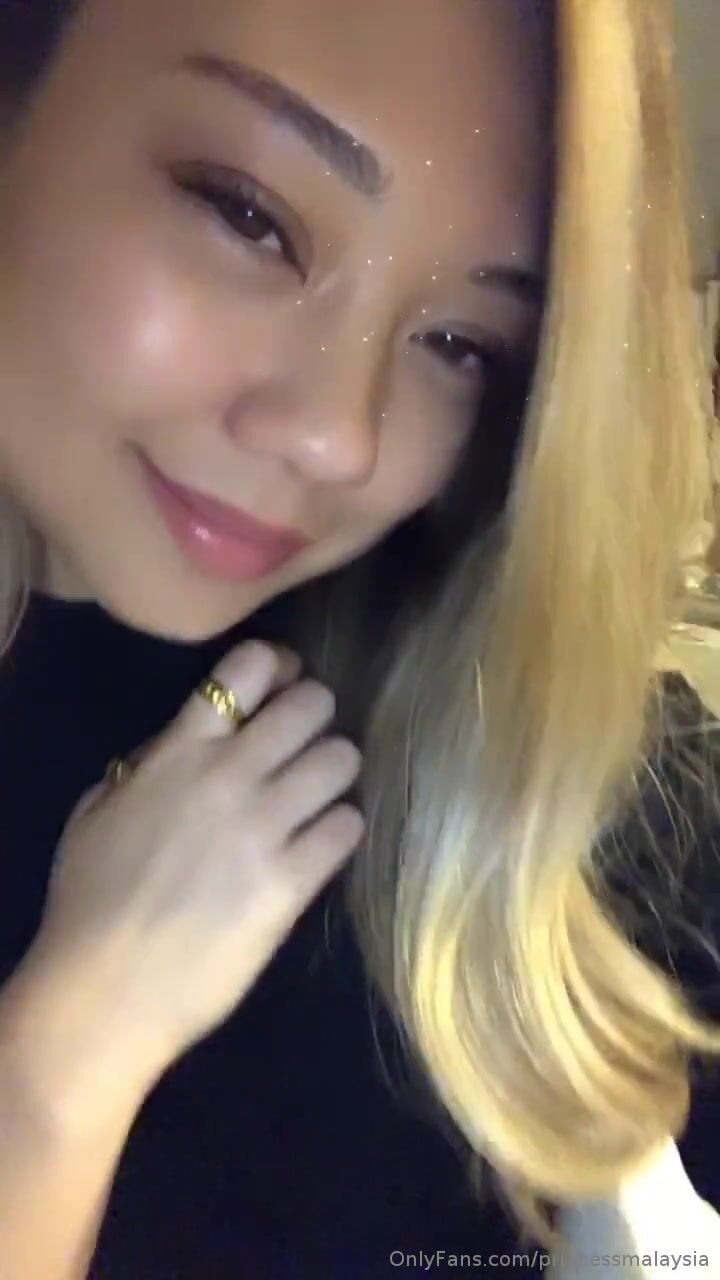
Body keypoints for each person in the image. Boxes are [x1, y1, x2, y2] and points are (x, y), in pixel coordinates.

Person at [0, 0, 719, 1276]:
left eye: (459, 343)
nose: (344, 436)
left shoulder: (521, 755)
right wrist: (58, 1069)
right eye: (248, 215)